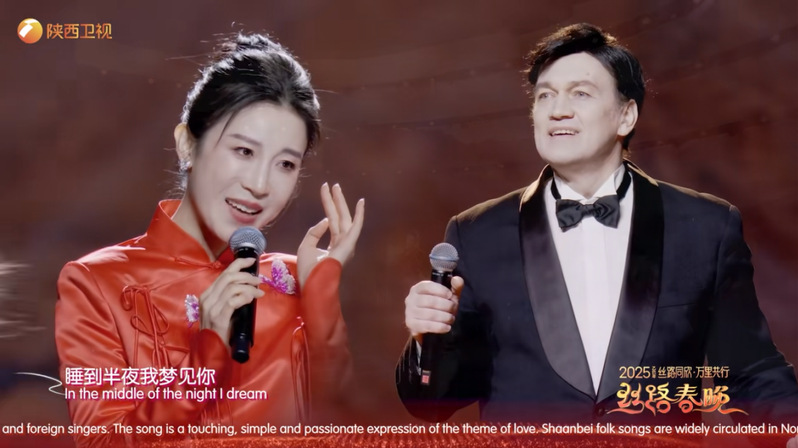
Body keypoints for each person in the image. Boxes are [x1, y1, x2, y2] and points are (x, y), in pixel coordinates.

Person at [397, 23, 798, 432]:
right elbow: (433, 403)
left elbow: (751, 371)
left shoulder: (704, 227)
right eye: (545, 96)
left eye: (580, 94)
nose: (557, 110)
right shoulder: (477, 233)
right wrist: (426, 340)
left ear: (626, 115)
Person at [55, 33, 364, 447]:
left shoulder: (297, 280)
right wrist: (206, 352)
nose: (259, 185)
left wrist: (321, 295)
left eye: (285, 164)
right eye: (244, 152)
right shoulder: (96, 283)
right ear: (187, 144)